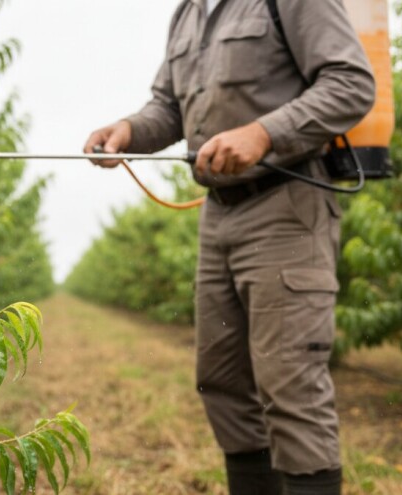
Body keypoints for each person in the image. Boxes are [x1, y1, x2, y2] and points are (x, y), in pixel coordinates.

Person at [83, 0, 375, 494]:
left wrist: (264, 133)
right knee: (222, 378)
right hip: (219, 211)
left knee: (291, 384)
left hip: (286, 205)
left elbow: (351, 84)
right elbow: (170, 107)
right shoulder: (188, 13)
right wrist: (129, 130)